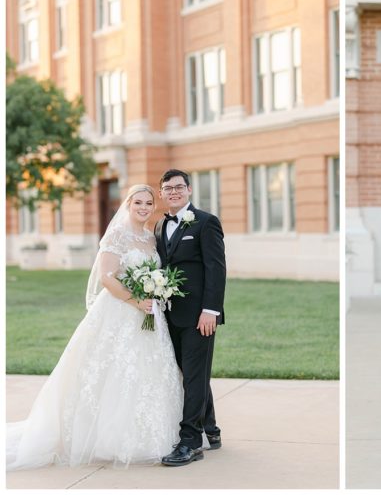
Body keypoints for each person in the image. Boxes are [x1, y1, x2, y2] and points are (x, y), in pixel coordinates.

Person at [7, 185, 183, 470]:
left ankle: (151, 434)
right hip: (119, 311)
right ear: (128, 204)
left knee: (146, 371)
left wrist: (153, 294)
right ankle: (103, 438)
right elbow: (106, 278)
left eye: (149, 203)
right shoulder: (116, 235)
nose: (143, 207)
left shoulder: (151, 238)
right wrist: (136, 300)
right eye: (138, 202)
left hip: (150, 316)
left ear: (154, 207)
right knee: (110, 371)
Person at [155, 169, 226, 466]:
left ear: (189, 190)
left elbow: (217, 268)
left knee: (194, 377)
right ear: (161, 193)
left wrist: (211, 310)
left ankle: (190, 441)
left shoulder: (206, 222)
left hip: (199, 317)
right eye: (168, 188)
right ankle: (211, 430)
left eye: (179, 187)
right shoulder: (160, 226)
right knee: (189, 374)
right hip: (169, 316)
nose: (174, 192)